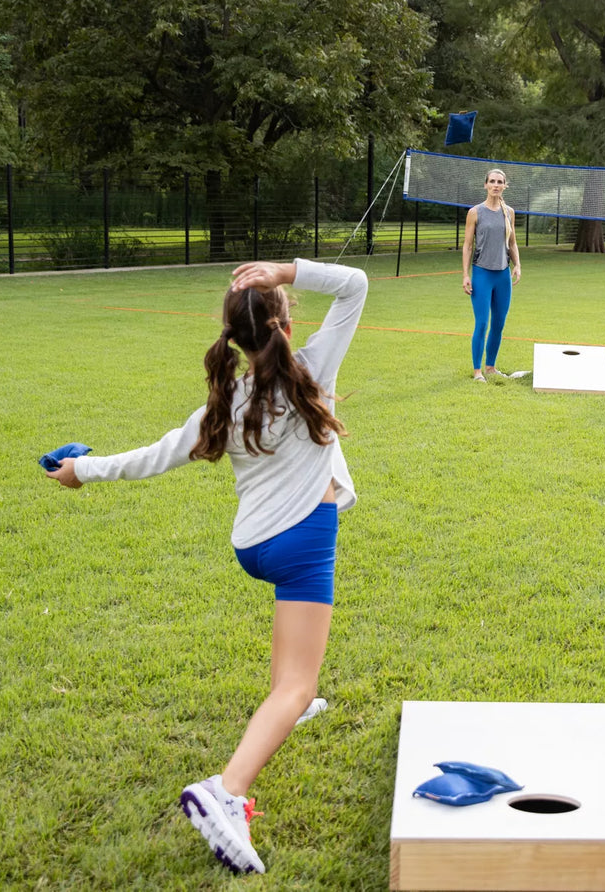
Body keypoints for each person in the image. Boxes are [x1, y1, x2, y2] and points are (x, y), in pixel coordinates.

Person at [46, 258, 368, 876]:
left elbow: (154, 456)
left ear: (235, 337)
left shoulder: (226, 401)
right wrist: (284, 268)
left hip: (255, 548)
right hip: (301, 543)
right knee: (299, 681)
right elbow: (354, 283)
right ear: (284, 324)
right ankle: (224, 791)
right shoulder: (314, 371)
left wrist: (79, 470)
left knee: (293, 685)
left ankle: (288, 708)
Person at [461, 168, 522, 382]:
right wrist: (465, 275)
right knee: (482, 323)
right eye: (492, 181)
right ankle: (477, 372)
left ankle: (490, 367)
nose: (496, 185)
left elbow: (512, 243)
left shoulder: (509, 212)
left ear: (505, 185)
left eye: (500, 182)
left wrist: (517, 265)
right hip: (481, 274)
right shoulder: (475, 212)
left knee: (499, 323)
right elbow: (468, 245)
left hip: (502, 275)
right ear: (486, 184)